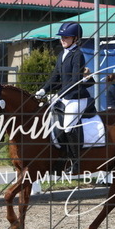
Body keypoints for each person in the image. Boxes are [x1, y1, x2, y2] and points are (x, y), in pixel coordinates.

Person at [34, 22, 91, 174]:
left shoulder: (78, 55)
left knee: (68, 126)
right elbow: (56, 77)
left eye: (66, 37)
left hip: (76, 97)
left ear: (76, 38)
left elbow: (75, 80)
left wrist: (59, 94)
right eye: (61, 37)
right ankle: (62, 158)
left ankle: (77, 163)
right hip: (65, 96)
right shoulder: (61, 54)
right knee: (53, 124)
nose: (62, 40)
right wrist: (43, 90)